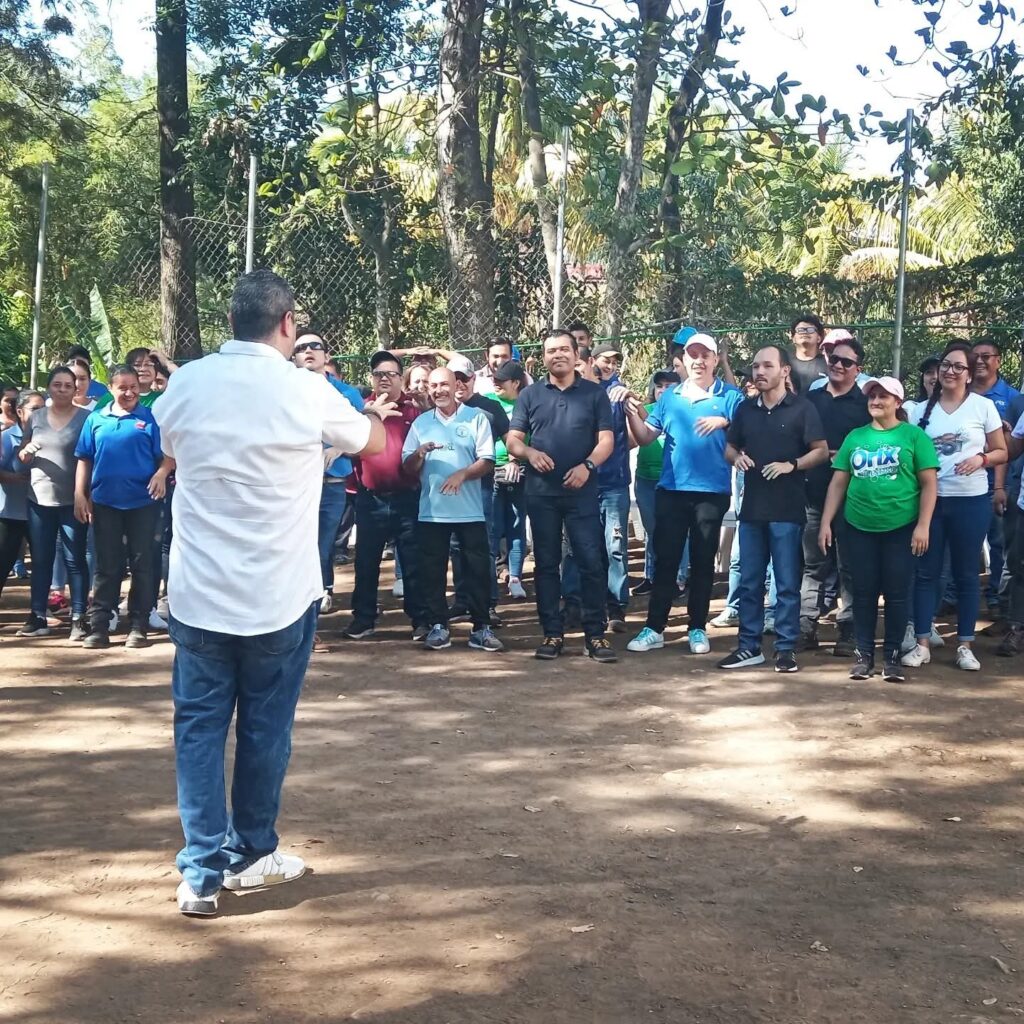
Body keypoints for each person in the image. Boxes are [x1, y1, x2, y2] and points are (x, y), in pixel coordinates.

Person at [153, 270, 391, 917]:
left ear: (233, 320)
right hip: (278, 599)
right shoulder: (307, 389)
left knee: (199, 730)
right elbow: (373, 442)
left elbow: (172, 443)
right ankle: (252, 853)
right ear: (288, 325)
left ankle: (200, 873)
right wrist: (369, 409)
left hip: (200, 594)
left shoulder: (187, 383)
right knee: (265, 729)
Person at [624, 334, 742, 656]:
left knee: (703, 562)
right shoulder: (670, 397)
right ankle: (654, 628)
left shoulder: (731, 396)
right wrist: (631, 413)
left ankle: (697, 628)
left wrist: (725, 420)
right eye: (693, 355)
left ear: (716, 360)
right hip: (671, 491)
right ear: (684, 361)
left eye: (706, 355)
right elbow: (647, 437)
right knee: (666, 560)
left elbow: (749, 426)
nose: (699, 361)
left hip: (711, 493)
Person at [506, 330, 616, 662]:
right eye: (551, 351)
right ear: (543, 357)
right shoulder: (530, 395)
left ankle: (595, 635)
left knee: (591, 562)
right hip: (541, 494)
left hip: (582, 493)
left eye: (564, 350)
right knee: (546, 565)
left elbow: (606, 441)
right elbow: (513, 439)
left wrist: (587, 466)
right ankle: (552, 634)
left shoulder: (595, 395)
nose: (558, 355)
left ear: (576, 354)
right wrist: (528, 453)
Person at [819, 377, 938, 681]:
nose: (876, 401)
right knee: (863, 593)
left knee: (897, 595)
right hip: (859, 526)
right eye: (872, 396)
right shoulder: (856, 437)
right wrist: (825, 522)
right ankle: (863, 655)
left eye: (883, 396)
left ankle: (893, 657)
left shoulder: (914, 437)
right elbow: (838, 483)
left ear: (898, 402)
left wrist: (923, 526)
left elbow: (929, 484)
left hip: (901, 527)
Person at [718, 345, 829, 672]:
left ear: (784, 371)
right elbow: (729, 447)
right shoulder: (746, 410)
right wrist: (736, 458)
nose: (759, 372)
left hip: (787, 510)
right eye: (755, 366)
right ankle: (748, 647)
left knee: (785, 583)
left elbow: (821, 451)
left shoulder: (803, 409)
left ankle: (785, 648)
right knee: (750, 582)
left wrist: (792, 465)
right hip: (751, 510)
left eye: (767, 365)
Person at [903, 342, 1008, 671]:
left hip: (971, 501)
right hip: (928, 504)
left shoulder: (982, 407)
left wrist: (982, 459)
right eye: (946, 365)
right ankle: (921, 643)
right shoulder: (918, 411)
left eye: (958, 367)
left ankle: (965, 645)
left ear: (968, 373)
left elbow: (1002, 451)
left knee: (965, 575)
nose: (950, 371)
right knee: (925, 574)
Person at [401, 367, 501, 653]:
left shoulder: (476, 418)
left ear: (457, 385)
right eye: (433, 386)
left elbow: (487, 461)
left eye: (444, 384)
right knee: (431, 571)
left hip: (470, 511)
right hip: (431, 512)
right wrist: (419, 455)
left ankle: (481, 627)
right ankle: (438, 626)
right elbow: (407, 466)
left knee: (478, 570)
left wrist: (462, 475)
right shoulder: (420, 423)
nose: (438, 390)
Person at [74, 365, 173, 649]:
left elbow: (168, 456)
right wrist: (80, 494)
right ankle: (100, 625)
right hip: (105, 502)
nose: (129, 392)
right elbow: (84, 458)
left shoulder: (150, 419)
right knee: (107, 565)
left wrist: (160, 474)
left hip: (144, 503)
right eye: (122, 387)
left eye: (133, 387)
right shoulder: (96, 420)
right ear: (110, 388)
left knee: (142, 564)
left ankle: (139, 625)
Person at [345, 350, 430, 641]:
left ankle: (420, 619)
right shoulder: (363, 411)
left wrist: (426, 408)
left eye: (391, 374)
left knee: (414, 560)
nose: (384, 379)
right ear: (372, 378)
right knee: (366, 561)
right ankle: (363, 618)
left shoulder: (415, 408)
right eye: (379, 374)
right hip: (371, 499)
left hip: (408, 496)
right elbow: (351, 447)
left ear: (400, 378)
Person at [799, 338, 871, 653]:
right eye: (834, 359)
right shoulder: (810, 399)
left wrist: (844, 455)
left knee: (850, 566)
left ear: (859, 369)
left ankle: (848, 632)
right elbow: (796, 439)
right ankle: (805, 629)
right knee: (813, 565)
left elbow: (873, 448)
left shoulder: (865, 405)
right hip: (813, 494)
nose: (838, 365)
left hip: (853, 499)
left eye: (846, 362)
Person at [292, 328, 365, 617]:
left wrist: (338, 446)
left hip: (332, 483)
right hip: (294, 483)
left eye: (315, 346)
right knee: (297, 545)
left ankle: (320, 594)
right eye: (301, 348)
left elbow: (363, 438)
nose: (308, 350)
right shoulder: (285, 392)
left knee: (322, 544)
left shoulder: (347, 394)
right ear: (293, 357)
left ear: (326, 355)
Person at [16, 367, 91, 639]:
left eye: (67, 385)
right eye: (57, 385)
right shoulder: (35, 418)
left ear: (75, 389)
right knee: (42, 559)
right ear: (49, 388)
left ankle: (79, 617)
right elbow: (23, 452)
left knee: (75, 559)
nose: (62, 389)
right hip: (39, 499)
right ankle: (37, 616)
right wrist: (24, 453)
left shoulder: (87, 418)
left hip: (73, 502)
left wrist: (84, 496)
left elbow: (90, 458)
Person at [448, 354, 509, 625]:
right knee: (455, 546)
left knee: (483, 544)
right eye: (454, 379)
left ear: (473, 378)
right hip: (449, 489)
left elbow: (511, 438)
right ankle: (462, 601)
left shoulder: (489, 407)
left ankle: (488, 603)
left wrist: (517, 460)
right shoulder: (441, 409)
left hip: (481, 487)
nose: (459, 384)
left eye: (464, 378)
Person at [970, 337, 1020, 614]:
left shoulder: (1012, 398)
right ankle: (951, 597)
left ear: (998, 360)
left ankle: (997, 602)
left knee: (1001, 545)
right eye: (975, 355)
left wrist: (1002, 485)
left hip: (1000, 485)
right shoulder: (961, 393)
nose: (979, 360)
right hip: (964, 484)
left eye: (986, 356)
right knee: (962, 545)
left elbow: (1012, 444)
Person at [589, 342, 632, 630]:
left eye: (614, 362)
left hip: (614, 481)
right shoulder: (580, 389)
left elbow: (635, 435)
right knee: (584, 546)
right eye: (605, 360)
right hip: (584, 481)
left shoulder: (619, 392)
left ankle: (616, 607)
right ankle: (584, 603)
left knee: (615, 545)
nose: (610, 366)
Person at [631, 370, 681, 596]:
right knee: (652, 531)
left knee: (677, 531)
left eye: (670, 386)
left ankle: (679, 578)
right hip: (645, 479)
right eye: (660, 385)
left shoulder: (683, 412)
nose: (663, 390)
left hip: (674, 481)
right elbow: (633, 441)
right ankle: (651, 577)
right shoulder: (647, 412)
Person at [0, 390, 44, 600]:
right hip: (10, 513)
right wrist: (17, 478)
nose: (40, 413)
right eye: (35, 409)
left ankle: (39, 613)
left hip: (41, 512)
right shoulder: (6, 437)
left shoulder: (47, 435)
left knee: (42, 564)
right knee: (3, 563)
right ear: (19, 411)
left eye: (43, 408)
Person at [491, 360, 529, 599]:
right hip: (492, 469)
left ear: (516, 383)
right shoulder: (487, 400)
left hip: (521, 470)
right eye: (494, 379)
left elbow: (533, 436)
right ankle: (491, 578)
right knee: (493, 526)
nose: (496, 384)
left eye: (501, 381)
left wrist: (517, 460)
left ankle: (515, 576)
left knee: (516, 522)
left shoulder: (528, 401)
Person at [788, 314, 828, 394]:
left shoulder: (828, 363)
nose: (805, 333)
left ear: (819, 338)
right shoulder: (784, 363)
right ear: (793, 338)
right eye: (800, 330)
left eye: (810, 330)